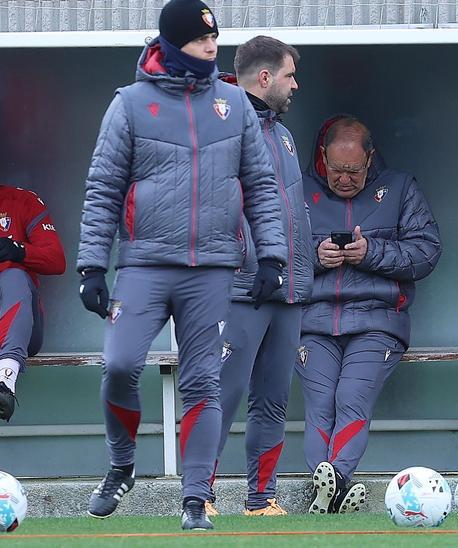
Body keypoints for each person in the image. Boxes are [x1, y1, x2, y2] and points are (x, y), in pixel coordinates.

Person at [76, 0, 287, 530]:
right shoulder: (129, 104)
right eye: (200, 39)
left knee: (202, 383)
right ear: (172, 43)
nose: (211, 47)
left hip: (213, 268)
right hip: (144, 264)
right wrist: (91, 266)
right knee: (119, 365)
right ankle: (122, 464)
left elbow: (261, 186)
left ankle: (195, 501)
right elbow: (103, 187)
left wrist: (272, 255)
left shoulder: (234, 104)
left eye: (214, 38)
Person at [299, 115, 441, 514]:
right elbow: (269, 253)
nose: (344, 179)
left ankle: (332, 482)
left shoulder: (400, 188)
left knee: (351, 397)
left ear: (370, 158)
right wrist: (315, 256)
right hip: (313, 321)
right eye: (336, 170)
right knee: (320, 403)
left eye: (354, 171)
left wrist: (371, 253)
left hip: (377, 321)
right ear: (323, 156)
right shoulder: (297, 189)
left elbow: (428, 251)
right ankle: (334, 488)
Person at [207, 35, 309, 517]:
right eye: (290, 76)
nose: (296, 85)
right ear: (265, 77)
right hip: (240, 289)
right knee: (219, 395)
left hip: (288, 291)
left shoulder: (284, 135)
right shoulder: (221, 127)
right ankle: (198, 496)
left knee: (272, 401)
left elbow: (290, 211)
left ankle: (261, 499)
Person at [0, 185, 67, 422]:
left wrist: (18, 251)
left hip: (20, 329)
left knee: (14, 276)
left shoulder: (21, 200)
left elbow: (57, 260)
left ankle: (5, 382)